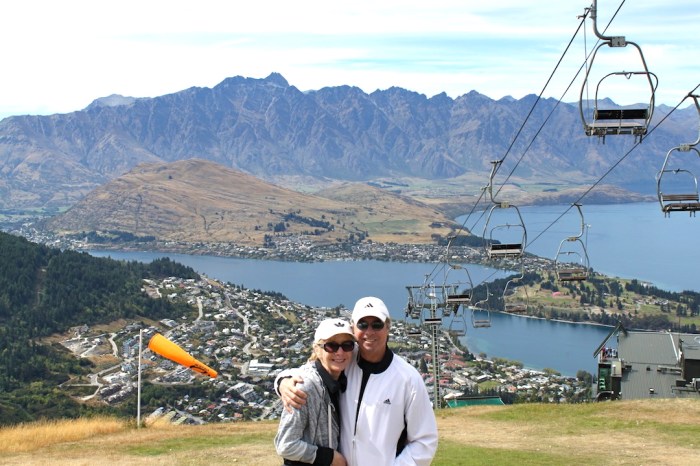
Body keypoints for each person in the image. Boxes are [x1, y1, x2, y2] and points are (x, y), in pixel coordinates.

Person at [277, 297, 438, 465]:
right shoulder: (345, 359)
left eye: (377, 324)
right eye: (362, 325)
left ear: (388, 327)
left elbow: (425, 441)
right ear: (353, 328)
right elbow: (313, 369)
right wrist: (283, 382)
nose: (369, 331)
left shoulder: (408, 379)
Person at [274, 318, 355, 466]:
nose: (340, 352)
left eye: (347, 345)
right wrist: (329, 457)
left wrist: (281, 380)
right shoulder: (304, 387)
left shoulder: (342, 380)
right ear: (317, 349)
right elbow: (285, 445)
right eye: (331, 346)